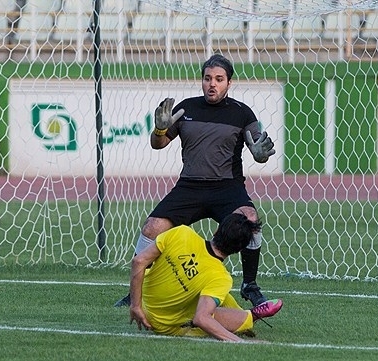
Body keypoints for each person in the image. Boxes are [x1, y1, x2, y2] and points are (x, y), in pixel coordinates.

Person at [115, 54, 276, 308]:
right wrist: (159, 129)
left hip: (227, 188)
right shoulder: (186, 108)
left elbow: (259, 149)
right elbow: (158, 145)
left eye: (219, 79)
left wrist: (260, 154)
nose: (212, 84)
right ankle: (138, 288)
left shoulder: (243, 113)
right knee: (152, 227)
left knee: (251, 220)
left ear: (229, 83)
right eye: (207, 78)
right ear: (202, 80)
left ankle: (250, 285)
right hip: (189, 187)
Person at [129, 212, 283, 342]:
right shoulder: (220, 277)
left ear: (217, 230)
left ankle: (241, 315)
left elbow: (138, 261)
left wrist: (135, 306)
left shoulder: (182, 232)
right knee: (213, 306)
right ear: (238, 250)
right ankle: (251, 316)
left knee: (218, 293)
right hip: (161, 324)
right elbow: (201, 319)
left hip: (143, 302)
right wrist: (239, 341)